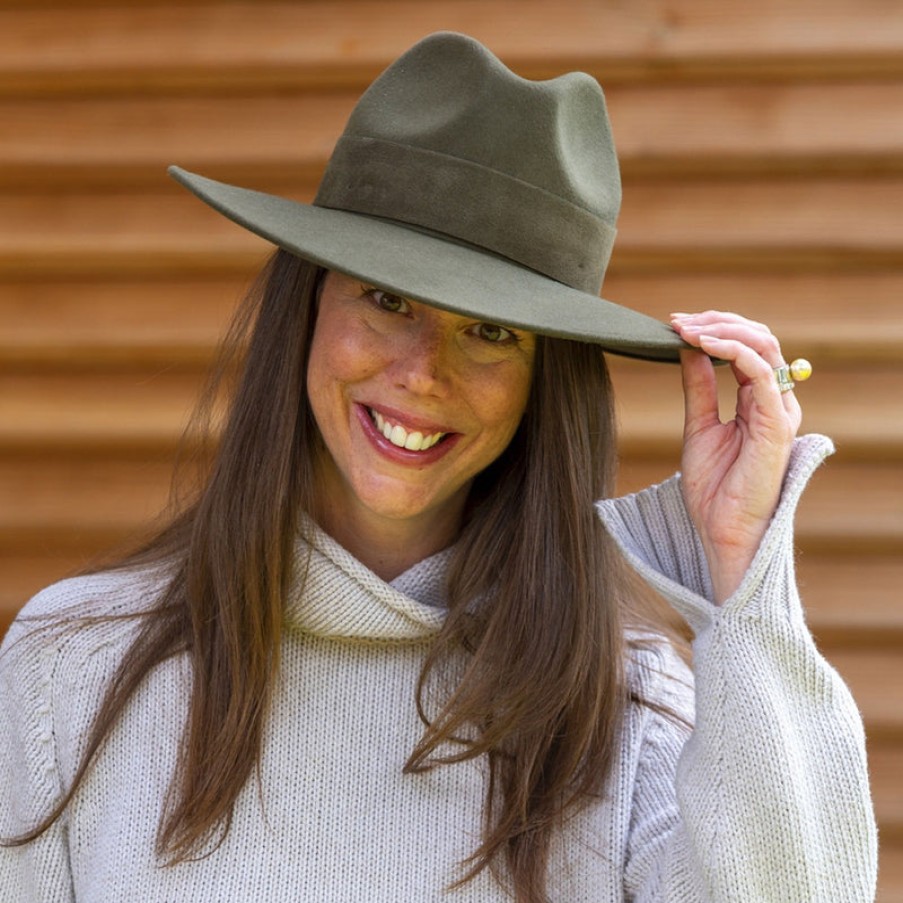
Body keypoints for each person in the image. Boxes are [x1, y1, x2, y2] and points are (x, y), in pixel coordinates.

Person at [0, 31, 876, 903]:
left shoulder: (625, 717)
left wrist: (743, 573)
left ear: (544, 386)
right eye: (387, 300)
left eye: (490, 331)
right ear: (304, 307)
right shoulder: (71, 669)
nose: (423, 372)